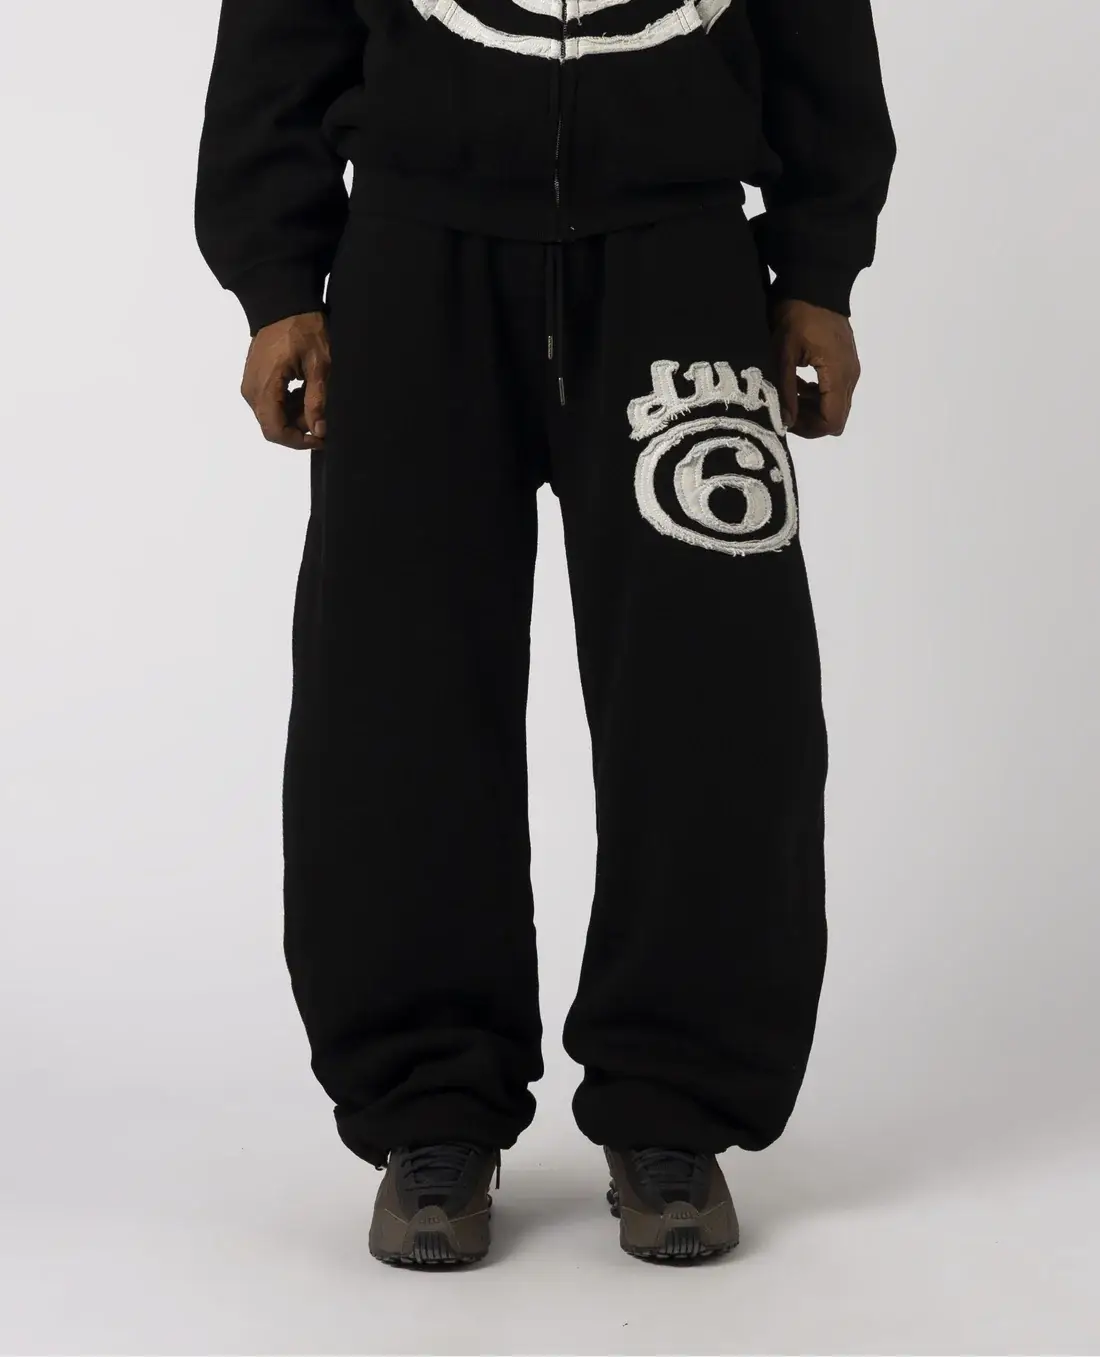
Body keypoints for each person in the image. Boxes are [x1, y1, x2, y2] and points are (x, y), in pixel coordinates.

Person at [195, 0, 895, 1267]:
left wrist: (817, 265)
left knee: (717, 693)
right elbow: (278, 26)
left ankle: (673, 1104)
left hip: (682, 259)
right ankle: (429, 1107)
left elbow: (817, 24)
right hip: (410, 259)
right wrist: (275, 281)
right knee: (393, 692)